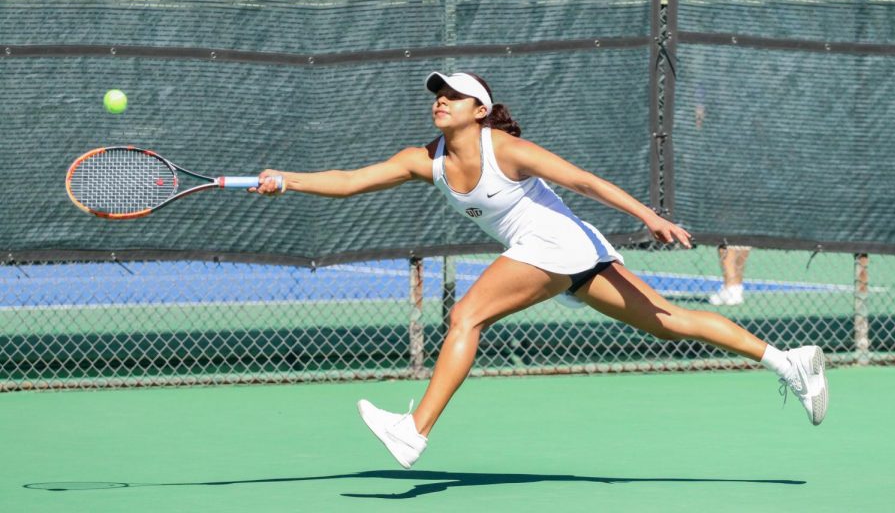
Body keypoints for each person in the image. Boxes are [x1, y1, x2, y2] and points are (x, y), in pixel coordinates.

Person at [252, 71, 828, 469]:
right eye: (437, 94)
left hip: (554, 243)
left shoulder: (504, 148)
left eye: (453, 95)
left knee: (467, 315)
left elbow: (583, 180)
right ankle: (791, 362)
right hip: (569, 252)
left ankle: (414, 431)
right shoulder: (423, 161)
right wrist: (289, 179)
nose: (440, 100)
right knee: (670, 320)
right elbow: (350, 182)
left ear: (479, 111)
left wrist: (648, 215)